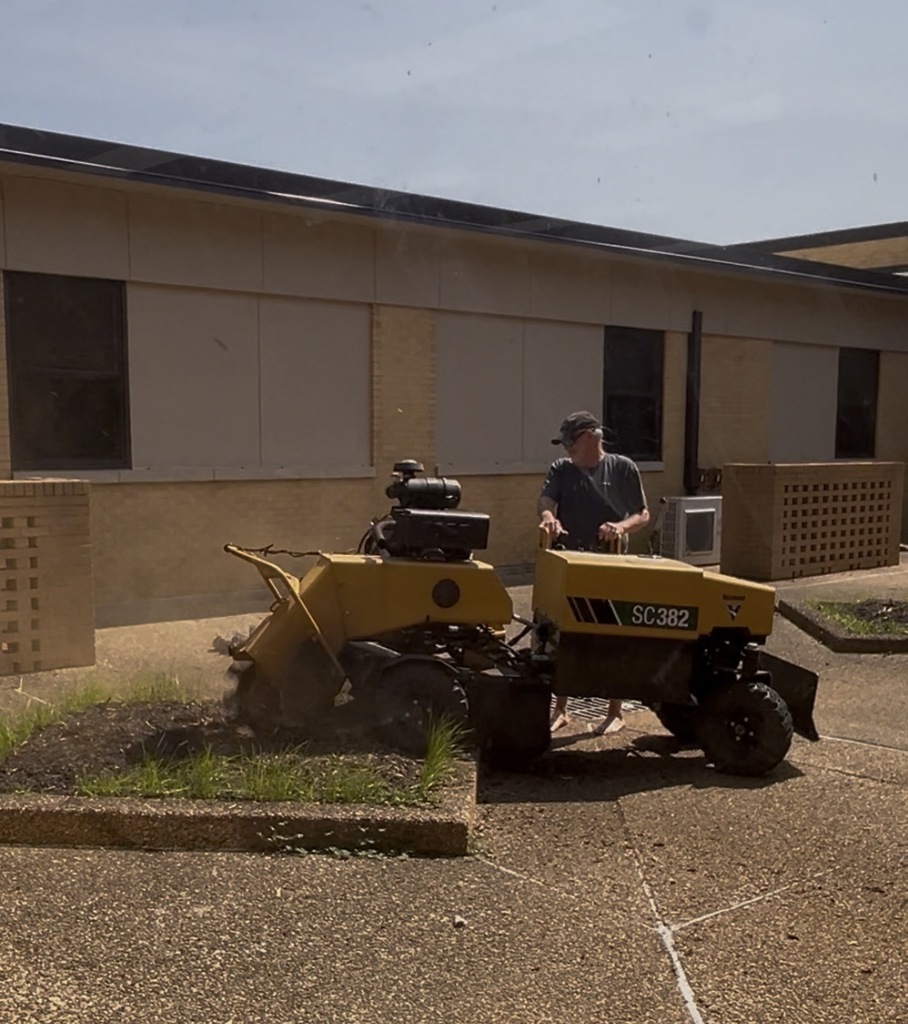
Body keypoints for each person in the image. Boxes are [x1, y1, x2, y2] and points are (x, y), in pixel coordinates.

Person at [537, 411, 650, 736]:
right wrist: (549, 516)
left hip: (611, 562)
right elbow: (547, 499)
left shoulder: (622, 467)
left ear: (589, 436)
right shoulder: (562, 469)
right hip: (571, 560)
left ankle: (615, 712)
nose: (566, 449)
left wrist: (620, 526)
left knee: (612, 633)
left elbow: (642, 514)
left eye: (570, 442)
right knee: (564, 631)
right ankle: (560, 709)